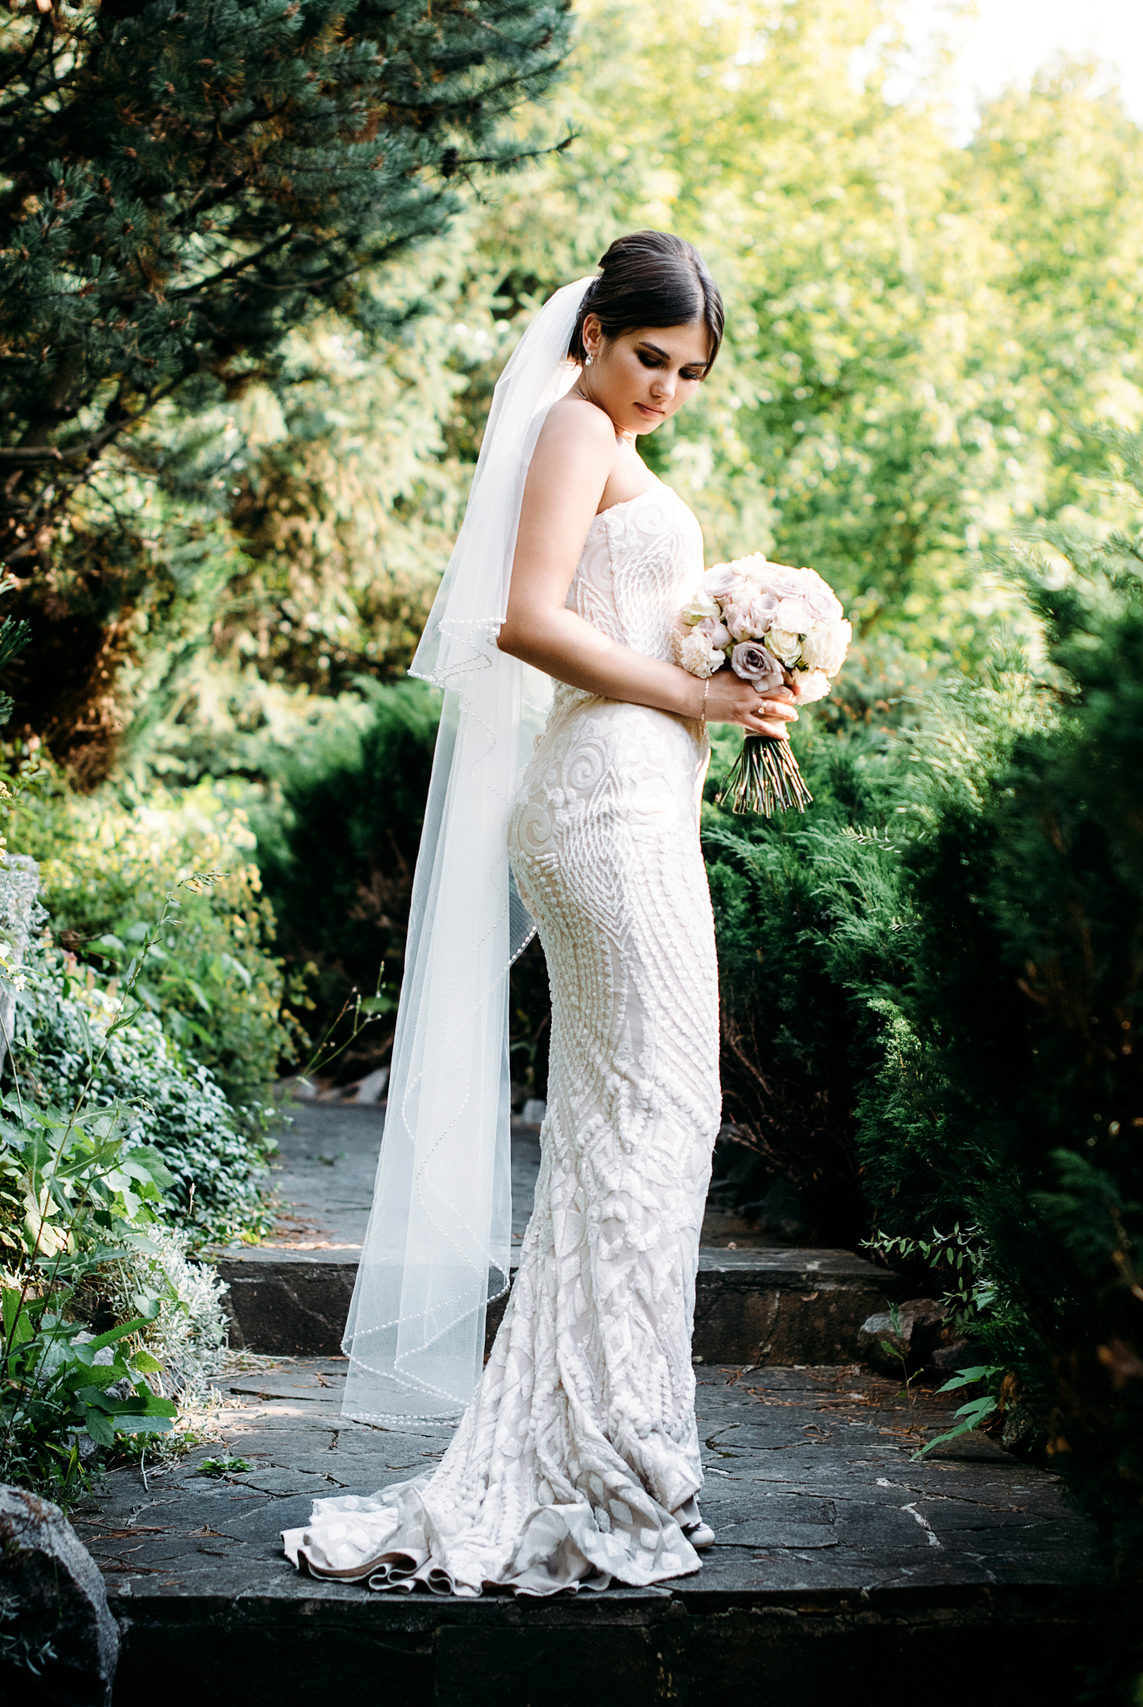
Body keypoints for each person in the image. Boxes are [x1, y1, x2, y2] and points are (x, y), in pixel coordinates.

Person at [281, 232, 797, 1594]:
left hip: (636, 804)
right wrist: (698, 695)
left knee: (632, 1126)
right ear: (593, 335)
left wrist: (736, 670)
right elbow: (523, 621)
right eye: (649, 357)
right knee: (647, 1121)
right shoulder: (574, 429)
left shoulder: (609, 439)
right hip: (602, 810)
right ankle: (609, 1456)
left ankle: (598, 1444)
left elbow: (607, 616)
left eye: (688, 373)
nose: (664, 392)